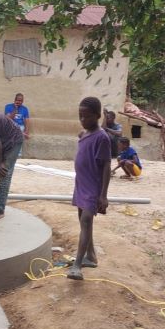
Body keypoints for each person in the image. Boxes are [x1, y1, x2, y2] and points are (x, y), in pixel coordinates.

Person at [67, 97, 111, 281]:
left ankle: (77, 265)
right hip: (81, 183)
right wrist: (82, 133)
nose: (82, 120)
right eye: (80, 116)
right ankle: (91, 256)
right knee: (82, 219)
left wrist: (103, 195)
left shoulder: (102, 138)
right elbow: (82, 136)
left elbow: (107, 166)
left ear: (97, 115)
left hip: (93, 186)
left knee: (86, 221)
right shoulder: (84, 134)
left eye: (86, 116)